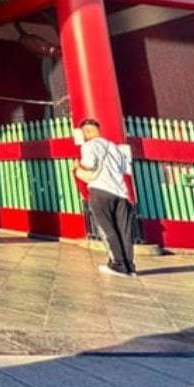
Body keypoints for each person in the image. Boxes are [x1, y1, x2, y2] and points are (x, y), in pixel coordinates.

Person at [74, 118, 136, 276]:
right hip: (121, 192)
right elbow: (125, 169)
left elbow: (89, 165)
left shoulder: (89, 146)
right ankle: (129, 265)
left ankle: (117, 263)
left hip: (100, 189)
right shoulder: (115, 147)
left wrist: (77, 166)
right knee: (124, 230)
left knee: (107, 228)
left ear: (87, 132)